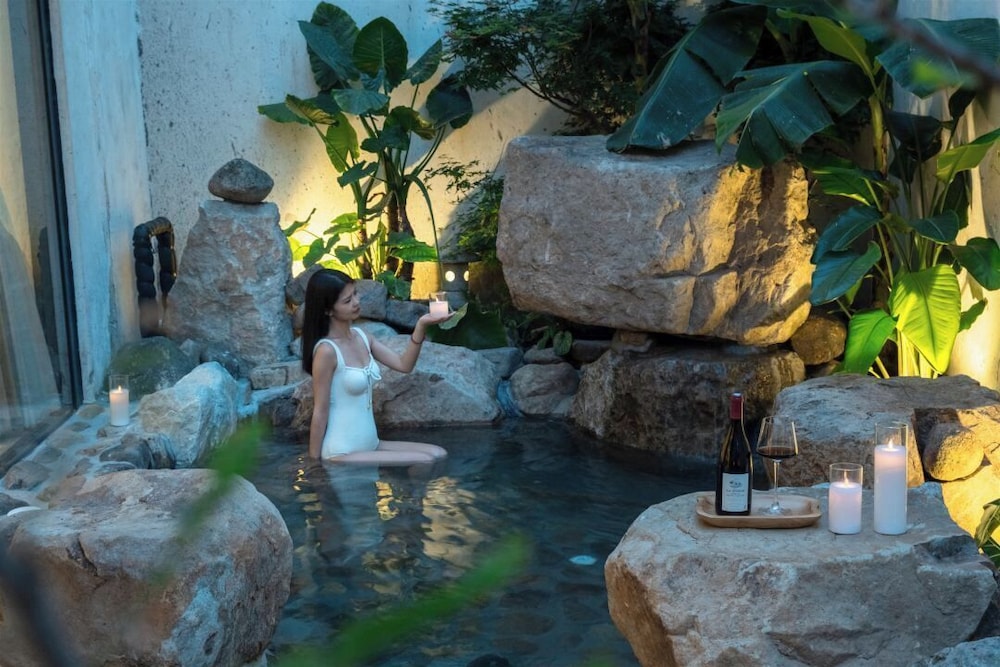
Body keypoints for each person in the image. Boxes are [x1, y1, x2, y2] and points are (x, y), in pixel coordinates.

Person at [301, 268, 450, 464]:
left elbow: (404, 365)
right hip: (341, 451)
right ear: (328, 310)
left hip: (371, 443)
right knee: (424, 460)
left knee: (439, 453)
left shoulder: (363, 337)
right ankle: (404, 487)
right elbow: (320, 410)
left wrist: (421, 325)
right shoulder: (326, 351)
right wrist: (314, 463)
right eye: (347, 300)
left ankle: (400, 486)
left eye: (355, 294)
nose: (356, 302)